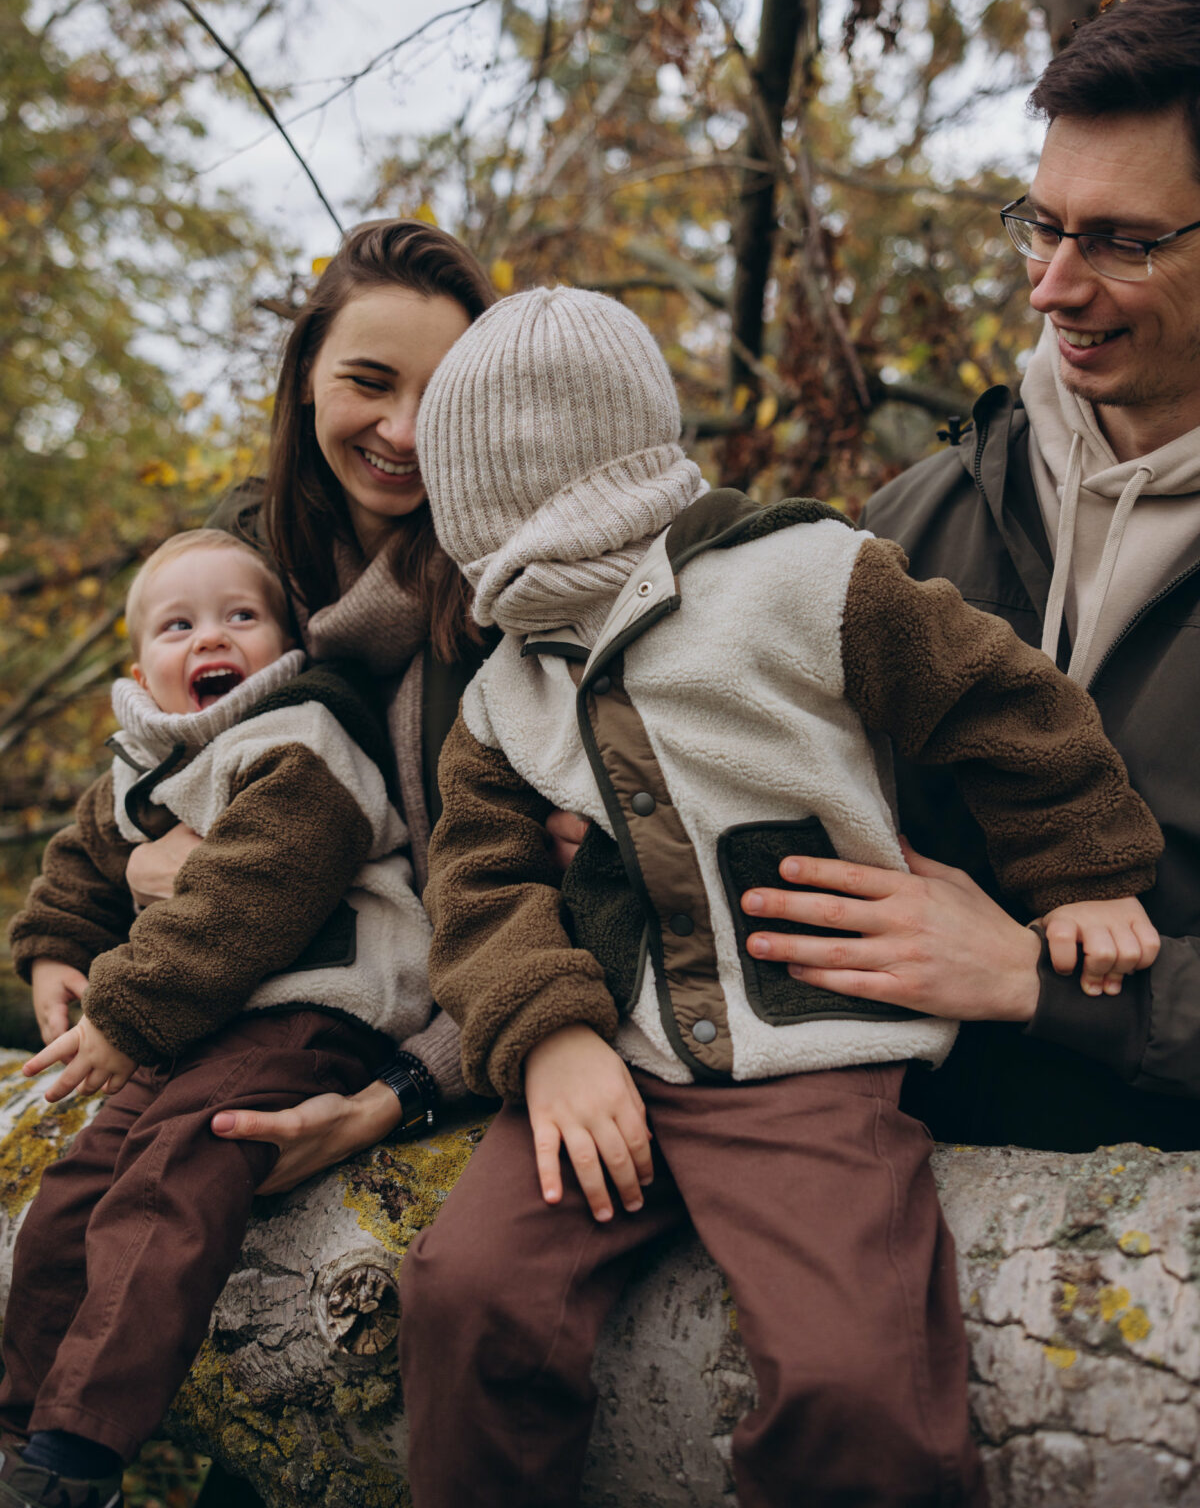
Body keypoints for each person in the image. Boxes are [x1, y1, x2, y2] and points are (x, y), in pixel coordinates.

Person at [395, 285, 1163, 1508]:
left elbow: (1002, 701)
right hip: (607, 1062)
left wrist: (1082, 873)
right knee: (466, 1295)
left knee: (854, 1380)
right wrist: (546, 1040)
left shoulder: (806, 577)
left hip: (811, 1063)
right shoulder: (504, 692)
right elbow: (476, 886)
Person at [735, 0, 1200, 1153]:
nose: (1052, 285)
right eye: (1043, 224)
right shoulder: (913, 519)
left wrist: (1038, 984)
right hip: (885, 1183)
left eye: (1123, 242)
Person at [0, 529, 435, 1508]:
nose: (211, 638)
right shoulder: (146, 762)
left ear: (287, 641)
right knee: (71, 1199)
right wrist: (58, 949)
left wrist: (126, 1009)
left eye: (241, 616)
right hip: (192, 1025)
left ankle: (79, 1452)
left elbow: (251, 890)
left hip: (313, 1013)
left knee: (174, 1174)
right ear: (140, 672)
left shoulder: (306, 737)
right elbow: (80, 858)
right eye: (178, 625)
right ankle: (20, 1430)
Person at [126, 219, 503, 1185]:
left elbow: (540, 901)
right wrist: (102, 898)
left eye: (440, 398)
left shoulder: (507, 594)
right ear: (304, 376)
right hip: (216, 1006)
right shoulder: (237, 564)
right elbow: (152, 763)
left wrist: (397, 1094)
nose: (404, 433)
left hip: (429, 1035)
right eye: (369, 382)